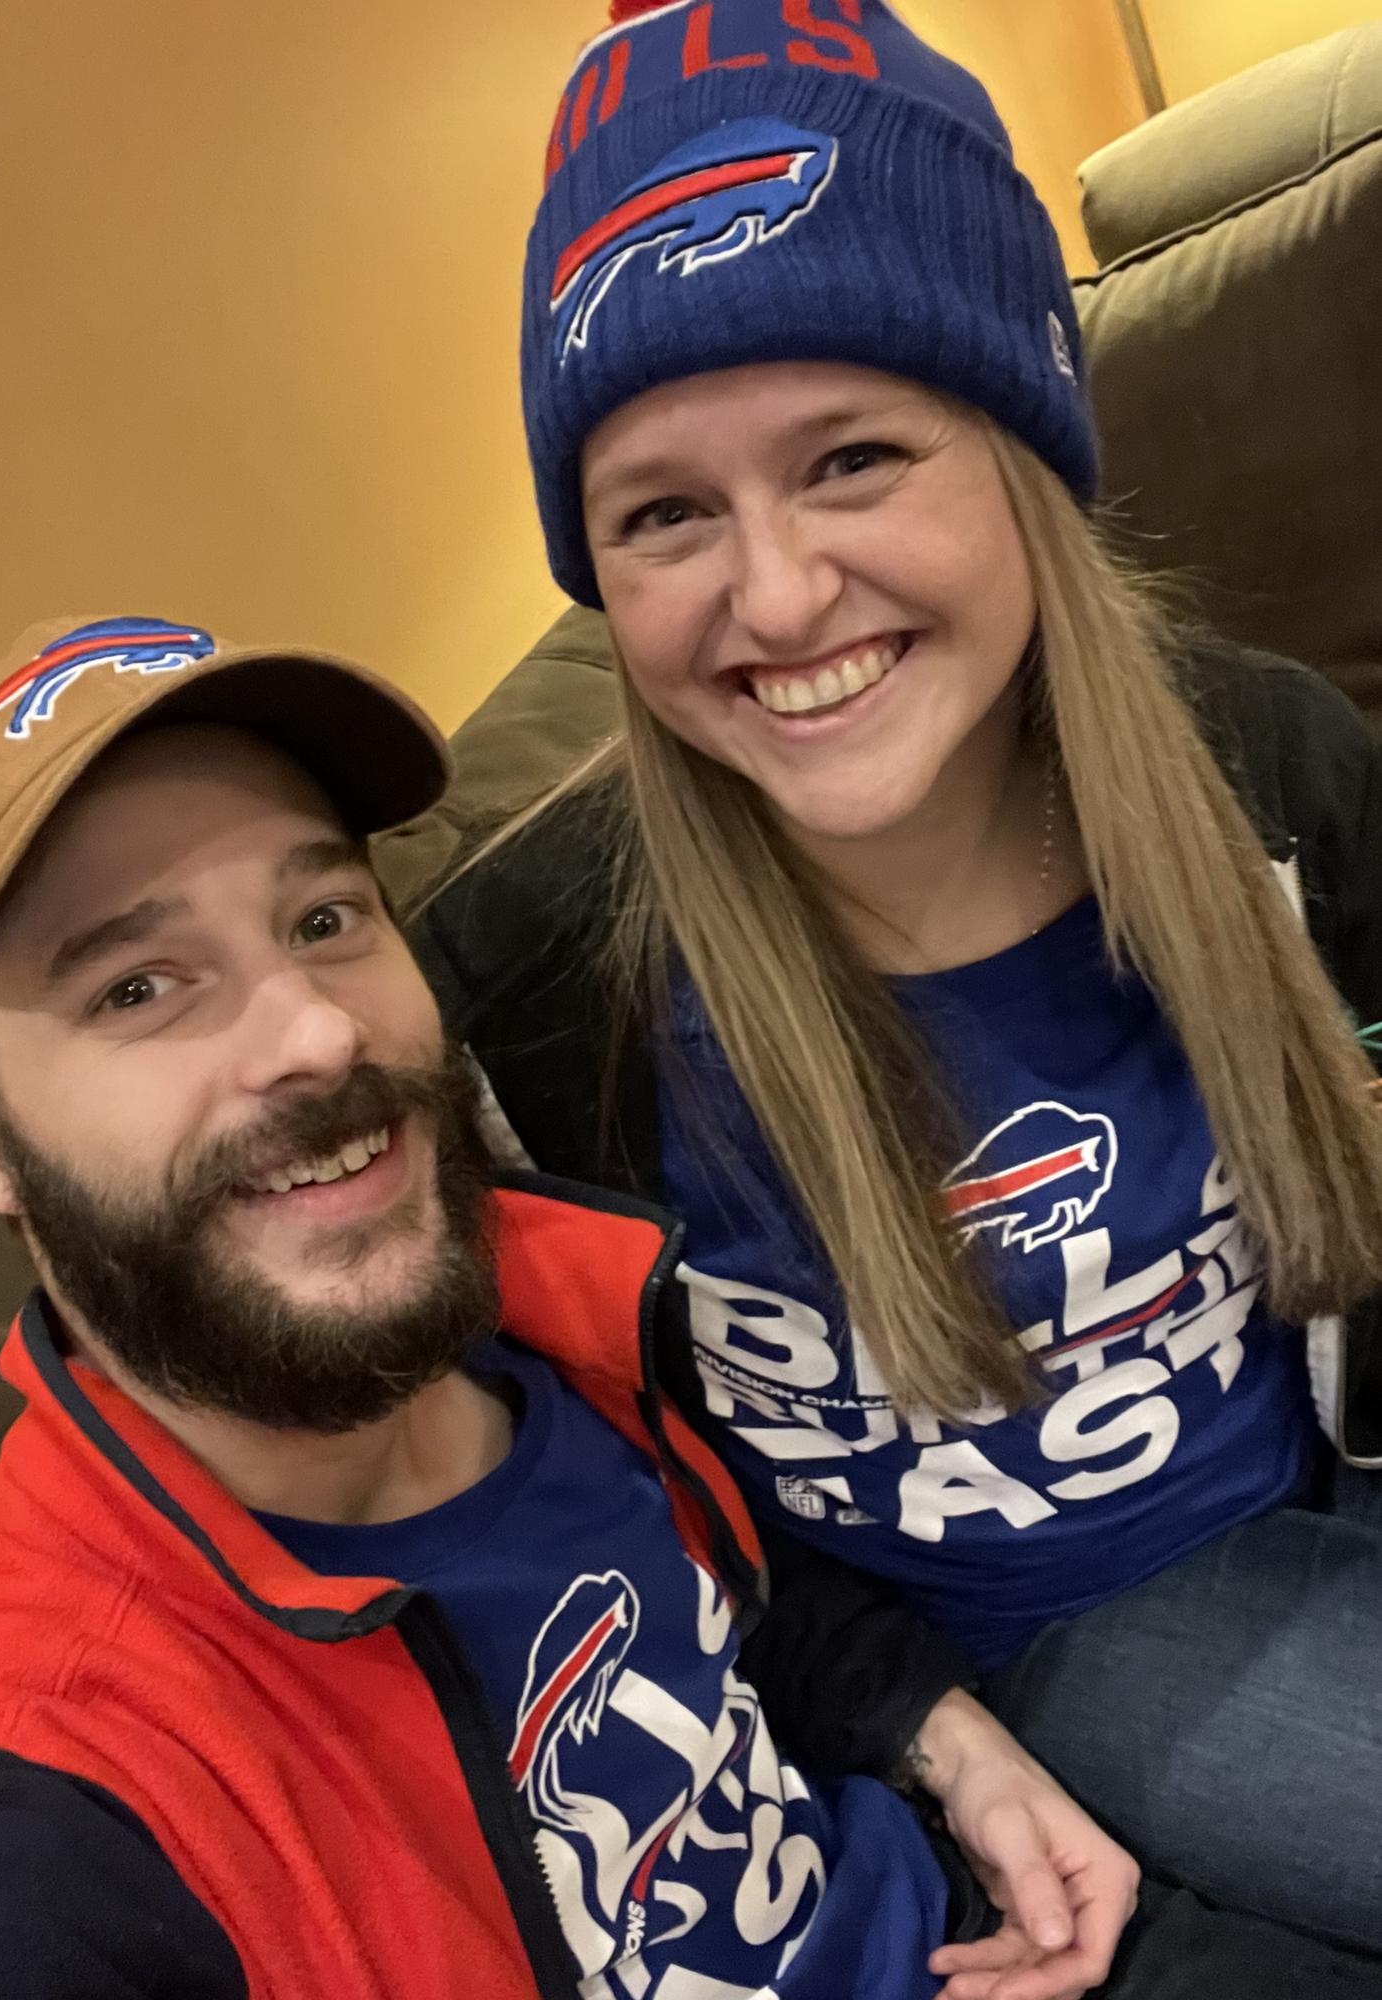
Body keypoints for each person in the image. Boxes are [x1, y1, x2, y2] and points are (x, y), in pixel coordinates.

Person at [411, 0, 1382, 1964]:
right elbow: (587, 1511)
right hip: (1042, 1633)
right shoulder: (521, 1000)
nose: (776, 597)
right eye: (665, 512)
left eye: (852, 457)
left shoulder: (1271, 766)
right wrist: (922, 1728)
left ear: (1024, 453)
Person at [0, 613, 1150, 2000]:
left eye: (324, 920)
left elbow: (746, 1605)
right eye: (137, 986)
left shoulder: (551, 1324)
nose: (319, 1031)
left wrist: (951, 1746)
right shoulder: (36, 1789)